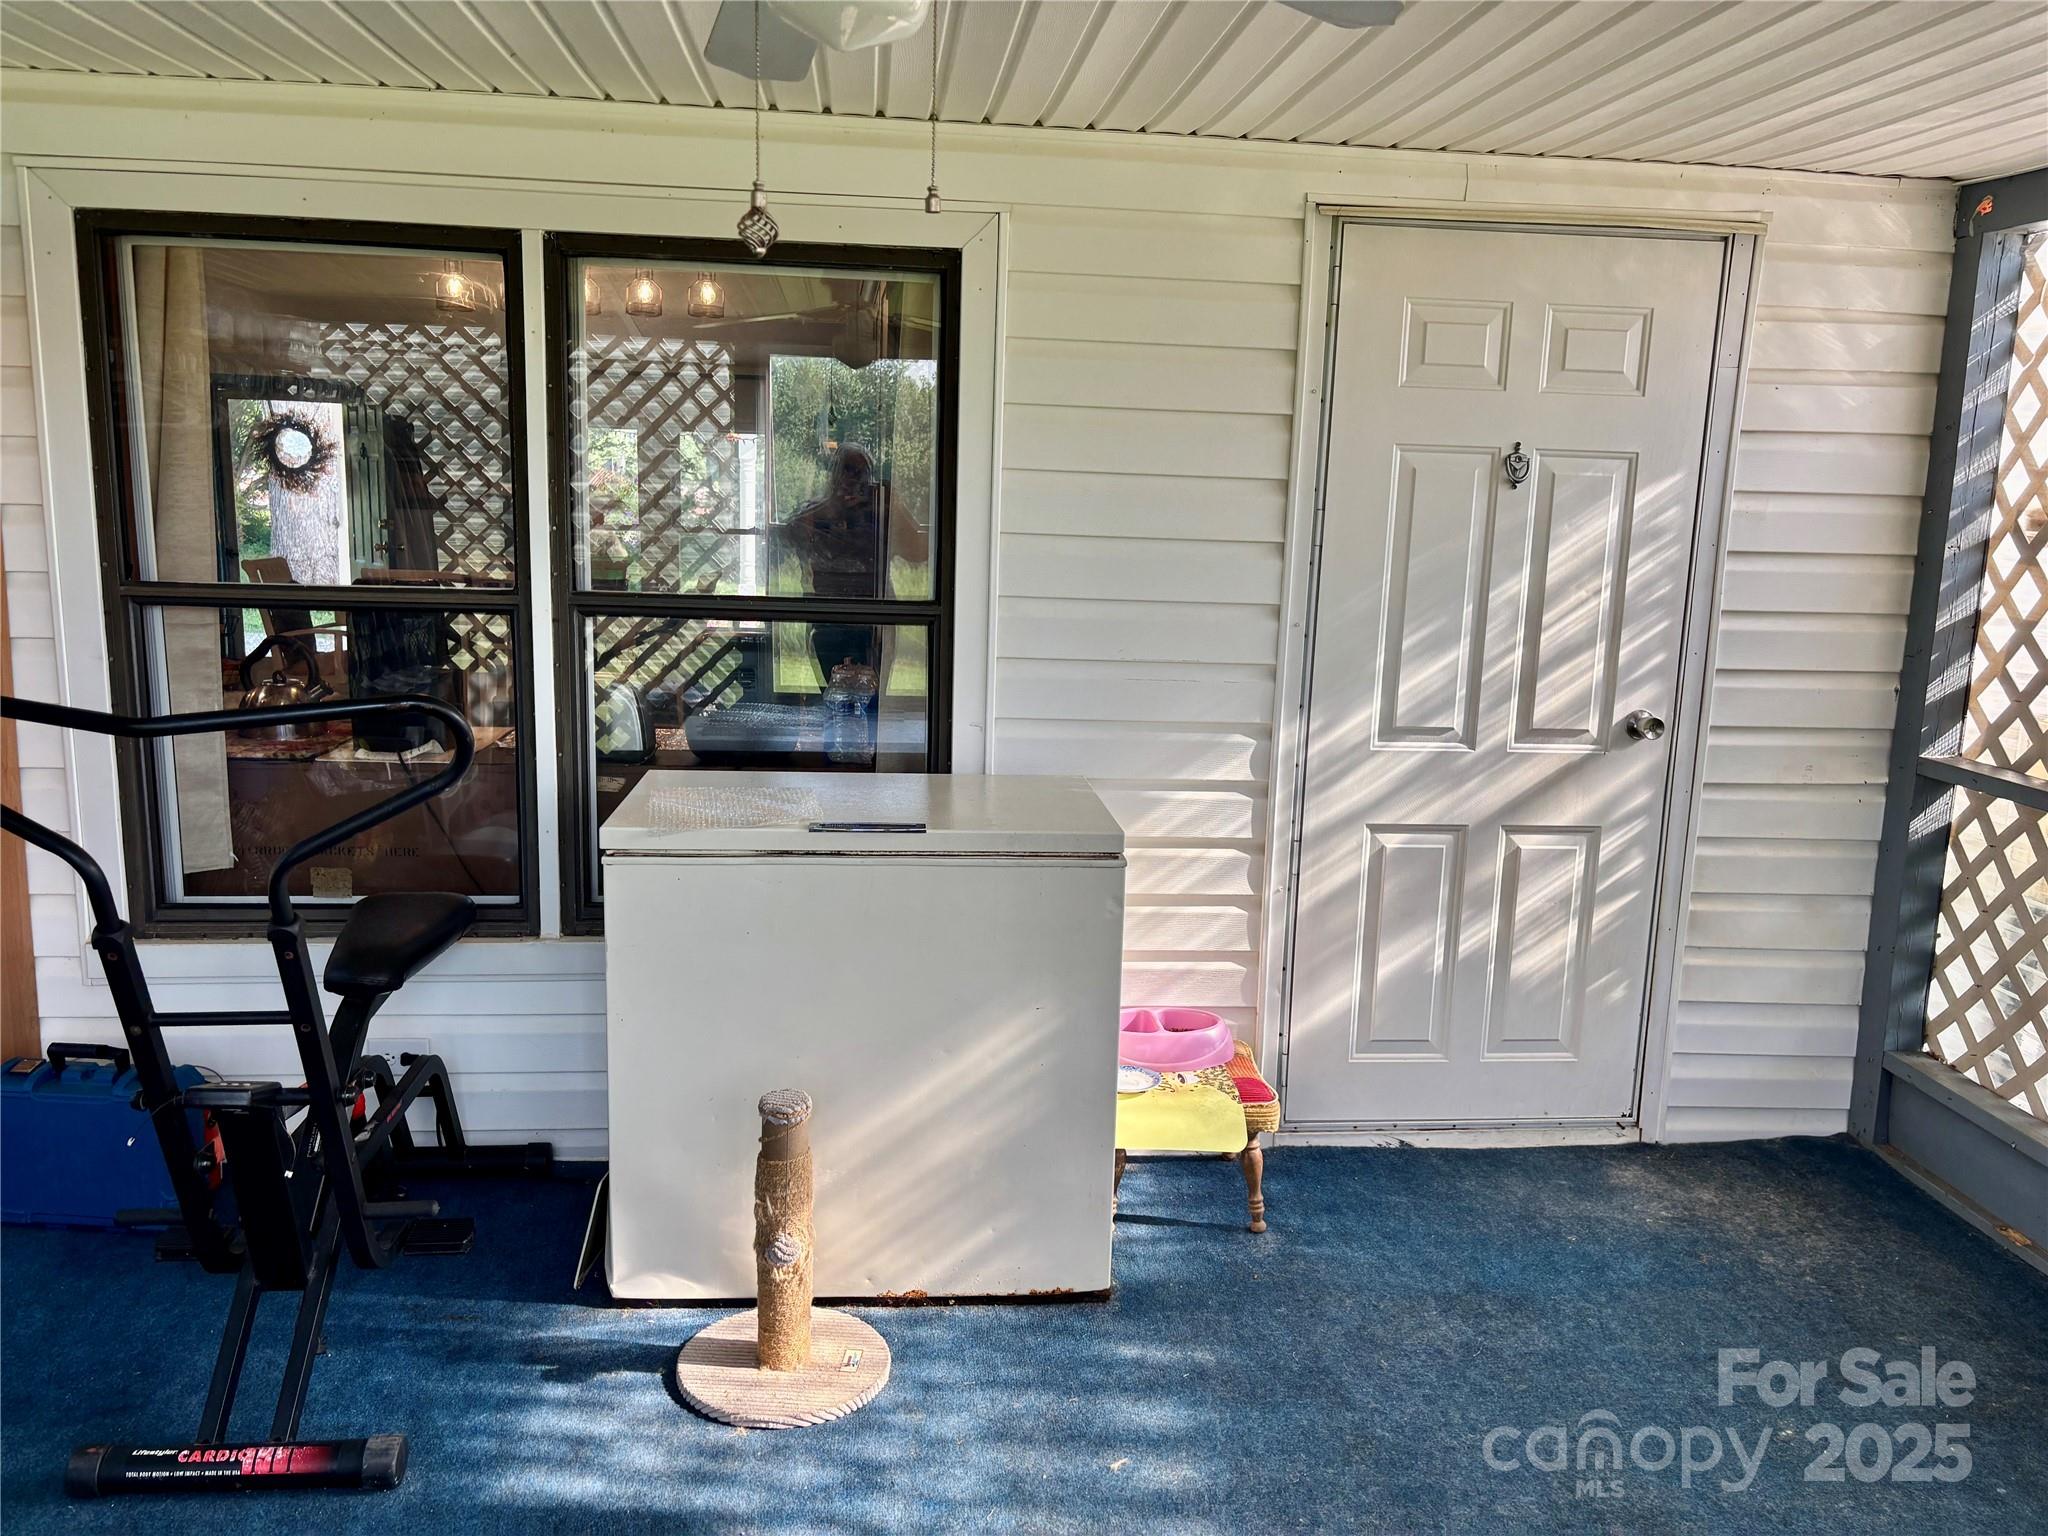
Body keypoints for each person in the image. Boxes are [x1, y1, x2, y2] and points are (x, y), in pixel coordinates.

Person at [779, 441, 929, 688]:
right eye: (845, 470)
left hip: (876, 621)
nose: (852, 479)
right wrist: (830, 509)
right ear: (833, 476)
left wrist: (893, 507)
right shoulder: (818, 512)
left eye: (860, 473)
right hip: (827, 622)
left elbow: (919, 552)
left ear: (870, 478)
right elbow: (786, 537)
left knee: (873, 700)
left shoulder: (882, 511)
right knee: (832, 698)